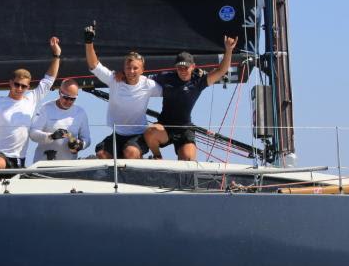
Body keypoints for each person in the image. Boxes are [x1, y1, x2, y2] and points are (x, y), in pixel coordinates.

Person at [144, 36, 238, 160]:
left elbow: (221, 71)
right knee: (150, 131)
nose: (182, 71)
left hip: (184, 128)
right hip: (164, 126)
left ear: (193, 66)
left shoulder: (198, 81)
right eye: (179, 67)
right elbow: (141, 80)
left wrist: (229, 50)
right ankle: (157, 157)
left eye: (186, 68)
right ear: (175, 67)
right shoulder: (166, 77)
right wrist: (123, 75)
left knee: (188, 158)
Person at [83, 22, 162, 160]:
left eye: (135, 68)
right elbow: (94, 65)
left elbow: (171, 89)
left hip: (138, 134)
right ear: (123, 68)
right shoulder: (114, 80)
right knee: (102, 154)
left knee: (131, 153)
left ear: (143, 70)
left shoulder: (149, 85)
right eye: (128, 67)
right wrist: (89, 42)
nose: (131, 71)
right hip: (117, 134)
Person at [0, 37, 61, 169]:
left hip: (19, 159)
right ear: (10, 83)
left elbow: (48, 80)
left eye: (23, 86)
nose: (19, 89)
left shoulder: (31, 99)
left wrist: (57, 55)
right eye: (16, 84)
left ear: (28, 87)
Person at [28, 79, 91, 162]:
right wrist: (51, 136)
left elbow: (87, 139)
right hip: (43, 164)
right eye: (66, 97)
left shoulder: (80, 112)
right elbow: (32, 133)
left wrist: (80, 145)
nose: (68, 101)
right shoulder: (45, 108)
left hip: (68, 166)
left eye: (72, 99)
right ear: (59, 92)